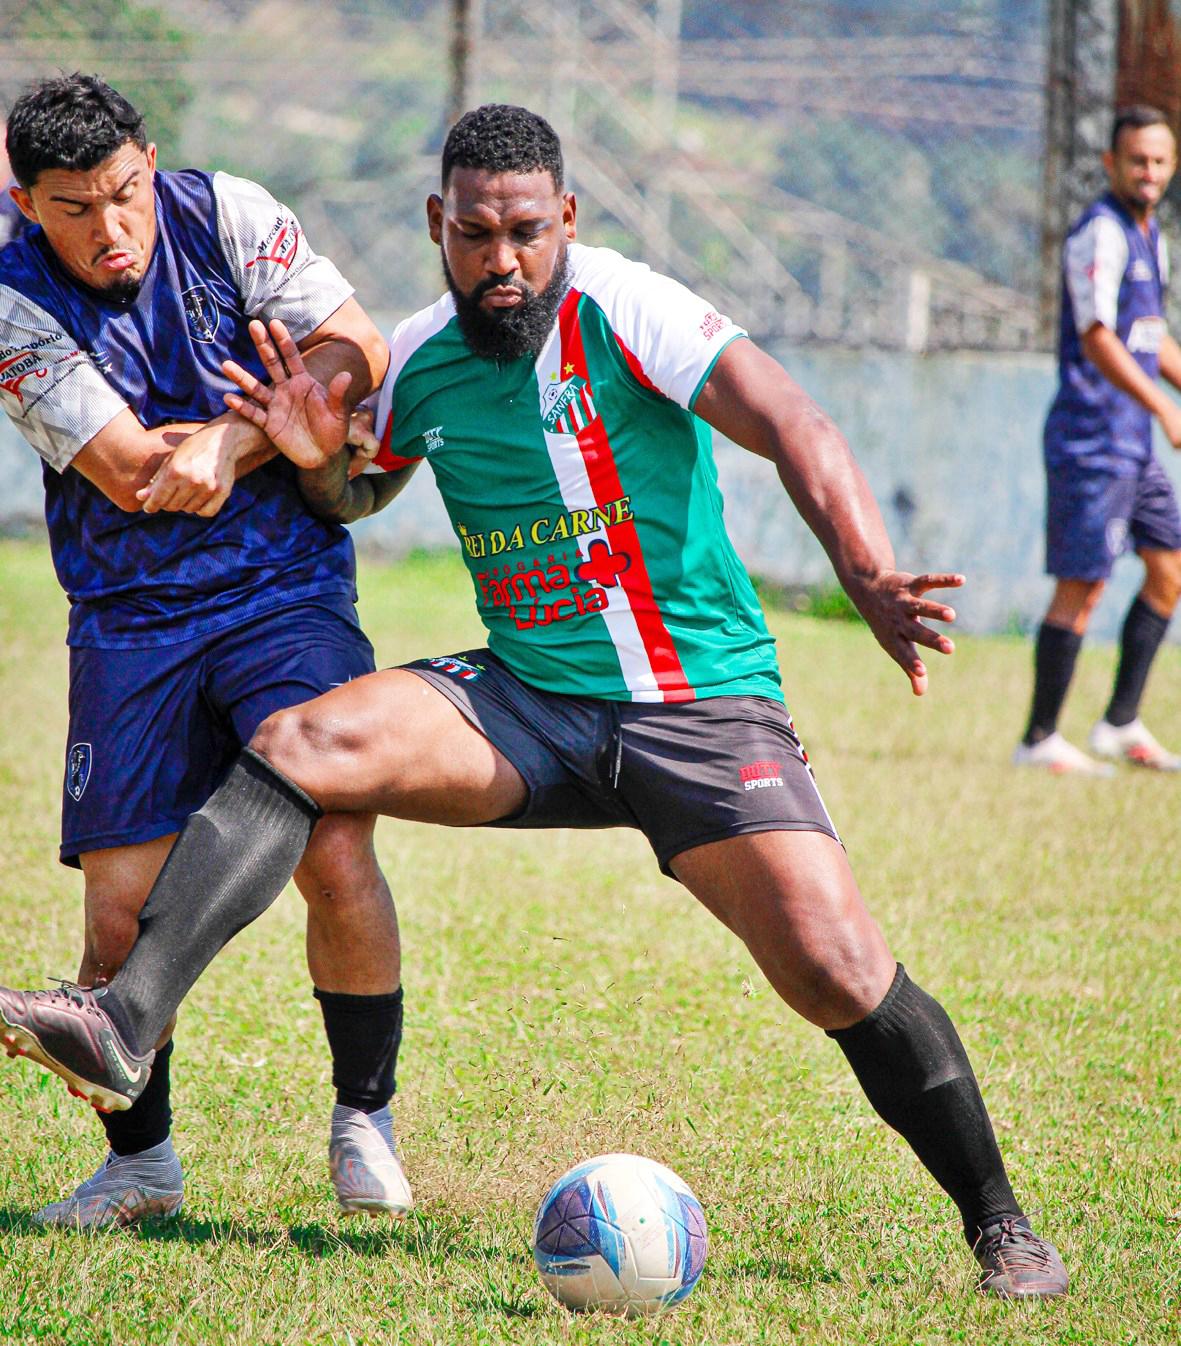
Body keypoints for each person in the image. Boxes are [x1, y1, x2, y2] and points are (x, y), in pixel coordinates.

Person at [0, 104, 1067, 1298]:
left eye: (522, 233)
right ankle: (127, 1018)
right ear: (436, 228)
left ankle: (1000, 1223)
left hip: (695, 707)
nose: (499, 261)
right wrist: (313, 457)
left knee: (832, 964)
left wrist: (865, 574)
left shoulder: (627, 307)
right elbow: (354, 498)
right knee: (302, 739)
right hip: (526, 702)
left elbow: (793, 423)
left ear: (563, 220)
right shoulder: (420, 355)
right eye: (472, 235)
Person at [0, 74, 416, 1227]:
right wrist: (273, 430)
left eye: (124, 192)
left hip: (284, 585)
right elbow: (137, 472)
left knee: (333, 841)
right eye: (74, 208)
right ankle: (141, 1164)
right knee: (115, 917)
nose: (110, 229)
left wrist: (240, 436)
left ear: (149, 159)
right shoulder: (7, 300)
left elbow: (355, 345)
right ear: (25, 198)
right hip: (129, 616)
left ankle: (363, 1117)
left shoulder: (228, 213)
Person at [1015, 105, 1181, 774]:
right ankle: (1037, 740)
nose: (1147, 172)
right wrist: (1163, 409)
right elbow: (1097, 337)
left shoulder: (1152, 238)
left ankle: (1119, 724)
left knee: (1167, 568)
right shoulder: (1098, 234)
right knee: (1082, 585)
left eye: (1159, 161)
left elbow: (1150, 336)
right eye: (1135, 160)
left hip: (1132, 439)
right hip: (1091, 436)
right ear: (1111, 164)